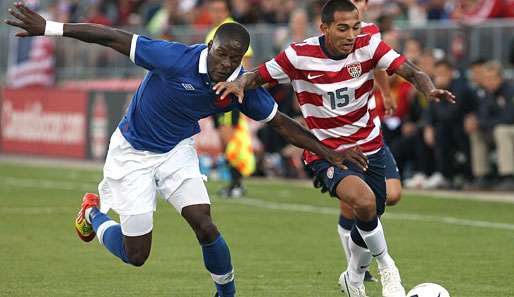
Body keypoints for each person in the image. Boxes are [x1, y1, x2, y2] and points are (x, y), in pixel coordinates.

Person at [3, 3, 370, 297]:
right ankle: (93, 215)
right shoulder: (173, 58)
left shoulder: (238, 86)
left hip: (177, 151)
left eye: (235, 59)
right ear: (210, 46)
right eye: (222, 55)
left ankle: (226, 292)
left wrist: (331, 153)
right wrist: (50, 27)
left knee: (203, 222)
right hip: (132, 152)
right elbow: (112, 36)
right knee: (137, 255)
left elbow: (282, 124)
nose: (226, 64)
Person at [213, 1, 455, 296]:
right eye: (342, 28)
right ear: (324, 28)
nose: (351, 34)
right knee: (364, 203)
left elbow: (412, 71)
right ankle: (388, 267)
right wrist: (240, 84)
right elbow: (259, 75)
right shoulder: (299, 55)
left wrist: (429, 89)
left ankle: (353, 277)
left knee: (372, 214)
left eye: (354, 27)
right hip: (326, 150)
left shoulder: (370, 44)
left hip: (369, 146)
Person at [206, 0, 255, 197]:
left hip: (227, 93)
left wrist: (237, 84)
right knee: (223, 139)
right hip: (215, 93)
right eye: (214, 9)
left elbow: (246, 62)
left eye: (220, 10)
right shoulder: (214, 32)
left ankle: (237, 182)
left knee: (228, 138)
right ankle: (234, 182)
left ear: (227, 11)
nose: (216, 13)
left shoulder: (233, 31)